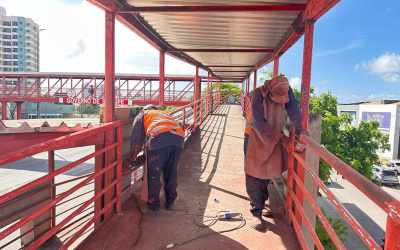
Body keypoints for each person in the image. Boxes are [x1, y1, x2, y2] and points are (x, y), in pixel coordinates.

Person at [243, 75, 302, 223]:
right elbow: (257, 121)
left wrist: (300, 131)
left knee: (268, 171)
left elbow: (294, 109)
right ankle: (256, 208)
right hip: (254, 136)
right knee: (254, 174)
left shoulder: (287, 92)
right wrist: (282, 138)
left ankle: (262, 202)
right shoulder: (258, 93)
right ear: (269, 91)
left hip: (273, 137)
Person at [129, 105, 185, 214]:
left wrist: (133, 157)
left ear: (144, 109)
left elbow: (136, 139)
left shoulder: (143, 114)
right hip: (178, 140)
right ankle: (170, 202)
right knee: (171, 172)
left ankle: (154, 204)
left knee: (154, 173)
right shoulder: (164, 114)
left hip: (160, 139)